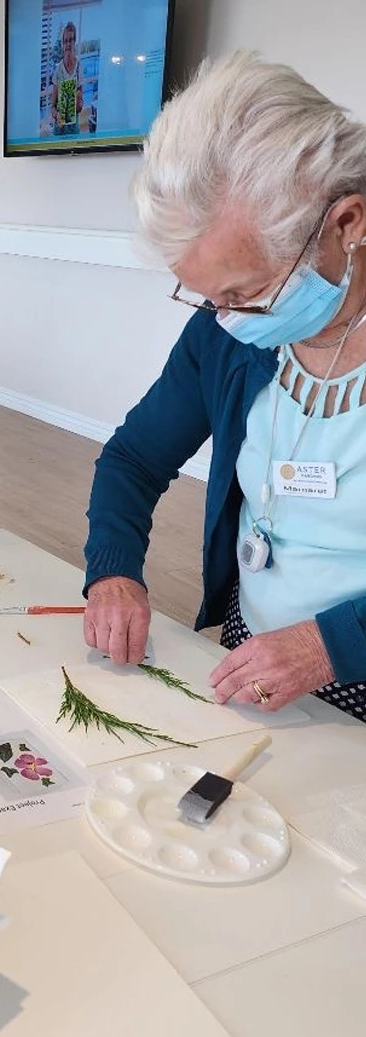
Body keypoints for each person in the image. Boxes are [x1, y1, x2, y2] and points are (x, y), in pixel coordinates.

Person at [84, 51, 366, 721]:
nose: (228, 320)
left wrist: (333, 645)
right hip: (258, 655)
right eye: (211, 298)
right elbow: (134, 458)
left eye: (246, 292)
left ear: (348, 224)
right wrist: (114, 570)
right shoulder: (230, 333)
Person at [51, 22, 83, 135]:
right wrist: (56, 115)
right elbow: (52, 108)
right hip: (59, 128)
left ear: (74, 42)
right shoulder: (58, 70)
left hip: (73, 128)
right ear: (63, 44)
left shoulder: (79, 66)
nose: (68, 44)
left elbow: (80, 107)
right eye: (66, 41)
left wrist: (78, 102)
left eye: (71, 40)